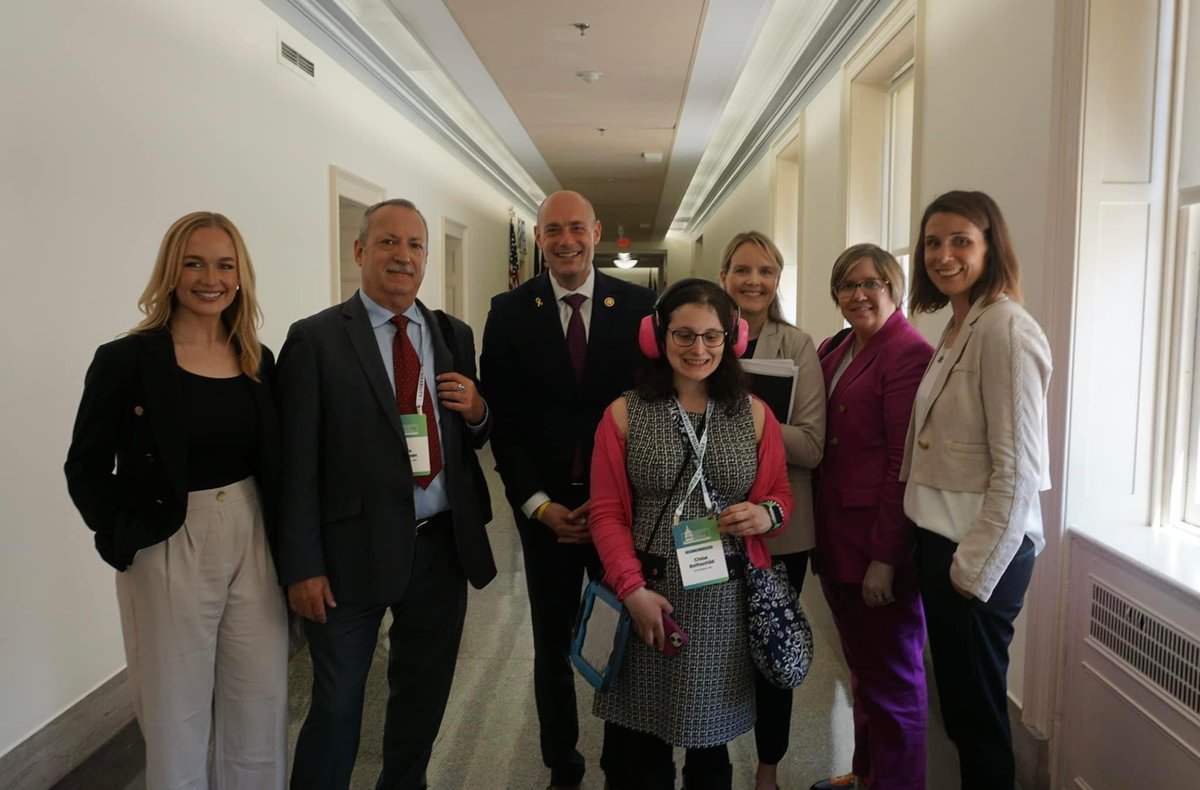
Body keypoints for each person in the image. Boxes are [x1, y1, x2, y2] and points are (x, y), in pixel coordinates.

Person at [277, 198, 497, 790]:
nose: (403, 256)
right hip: (349, 555)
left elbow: (471, 434)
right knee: (338, 703)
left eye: (415, 245)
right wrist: (302, 565)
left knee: (421, 698)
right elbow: (294, 465)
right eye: (388, 243)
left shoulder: (453, 334)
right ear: (360, 251)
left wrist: (478, 411)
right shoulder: (316, 339)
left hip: (439, 547)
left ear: (427, 257)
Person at [64, 211, 288, 788]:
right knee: (175, 714)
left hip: (252, 529)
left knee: (259, 701)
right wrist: (122, 538)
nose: (209, 278)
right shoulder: (126, 361)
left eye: (223, 264)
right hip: (166, 538)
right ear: (170, 271)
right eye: (193, 263)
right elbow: (85, 464)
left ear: (240, 276)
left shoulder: (257, 359)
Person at [480, 189, 655, 790]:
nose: (566, 241)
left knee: (621, 639)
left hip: (623, 513)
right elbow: (502, 422)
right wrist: (539, 505)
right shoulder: (508, 311)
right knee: (551, 646)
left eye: (576, 228)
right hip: (547, 515)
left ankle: (617, 759)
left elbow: (654, 410)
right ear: (538, 238)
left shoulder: (640, 306)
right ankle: (563, 762)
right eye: (553, 230)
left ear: (597, 231)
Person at [589, 278, 793, 790]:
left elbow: (780, 496)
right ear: (658, 337)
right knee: (638, 752)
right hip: (648, 593)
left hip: (723, 601)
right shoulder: (623, 412)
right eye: (683, 335)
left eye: (712, 336)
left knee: (710, 753)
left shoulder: (754, 414)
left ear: (732, 340)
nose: (698, 349)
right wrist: (631, 591)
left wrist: (766, 515)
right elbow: (608, 514)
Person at [901, 190, 1052, 790]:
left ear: (990, 247)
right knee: (961, 716)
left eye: (961, 240)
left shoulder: (1007, 329)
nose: (944, 254)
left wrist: (970, 573)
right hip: (943, 543)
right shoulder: (959, 322)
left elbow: (1018, 472)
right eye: (934, 242)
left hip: (980, 553)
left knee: (979, 720)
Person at [808, 244, 933, 790]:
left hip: (876, 549)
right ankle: (866, 775)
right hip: (837, 541)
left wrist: (885, 557)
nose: (858, 294)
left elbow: (901, 464)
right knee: (864, 671)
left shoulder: (906, 353)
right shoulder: (839, 348)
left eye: (872, 283)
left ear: (895, 288)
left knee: (895, 686)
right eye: (847, 285)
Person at [717, 231, 825, 790]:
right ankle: (707, 757)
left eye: (765, 271)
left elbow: (810, 445)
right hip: (709, 530)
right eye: (742, 270)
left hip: (780, 534)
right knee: (711, 648)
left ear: (778, 280)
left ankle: (767, 770)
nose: (753, 280)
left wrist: (748, 417)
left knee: (772, 654)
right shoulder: (704, 337)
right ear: (723, 277)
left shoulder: (797, 346)